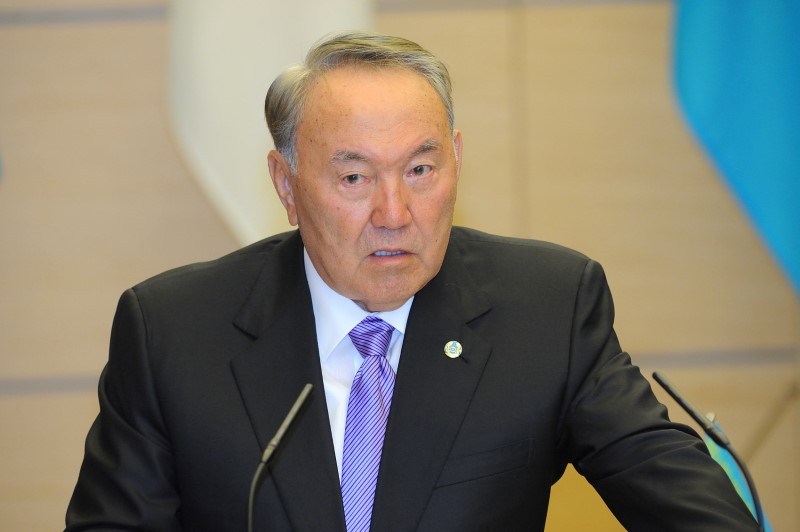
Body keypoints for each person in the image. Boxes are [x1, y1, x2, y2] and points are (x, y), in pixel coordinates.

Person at [66, 31, 757, 531]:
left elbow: (683, 503)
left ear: (456, 159)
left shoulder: (546, 309)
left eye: (421, 170)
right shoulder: (174, 333)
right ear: (286, 183)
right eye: (355, 177)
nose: (394, 214)